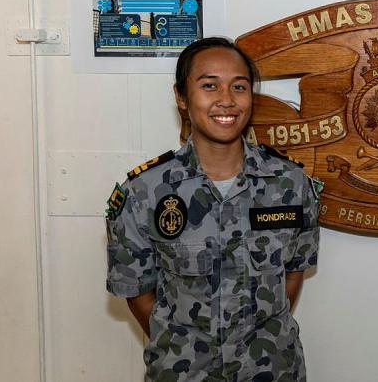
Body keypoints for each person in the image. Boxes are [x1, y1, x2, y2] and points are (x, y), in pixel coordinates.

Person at [105, 37, 321, 381]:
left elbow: (293, 273)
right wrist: (186, 344)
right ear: (181, 97)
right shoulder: (144, 192)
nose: (226, 100)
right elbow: (136, 290)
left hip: (271, 369)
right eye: (209, 85)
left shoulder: (290, 184)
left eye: (239, 86)